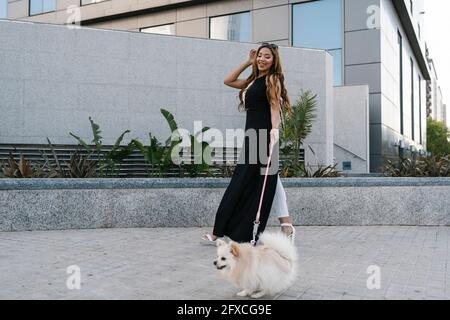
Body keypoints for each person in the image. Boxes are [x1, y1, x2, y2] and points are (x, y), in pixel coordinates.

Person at [202, 42, 295, 244]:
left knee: (245, 181)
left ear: (274, 61)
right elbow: (228, 80)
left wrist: (274, 133)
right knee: (270, 179)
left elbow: (273, 108)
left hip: (263, 136)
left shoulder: (272, 79)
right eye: (260, 55)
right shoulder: (253, 81)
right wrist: (248, 61)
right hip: (251, 136)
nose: (262, 59)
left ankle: (222, 231)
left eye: (267, 56)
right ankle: (286, 226)